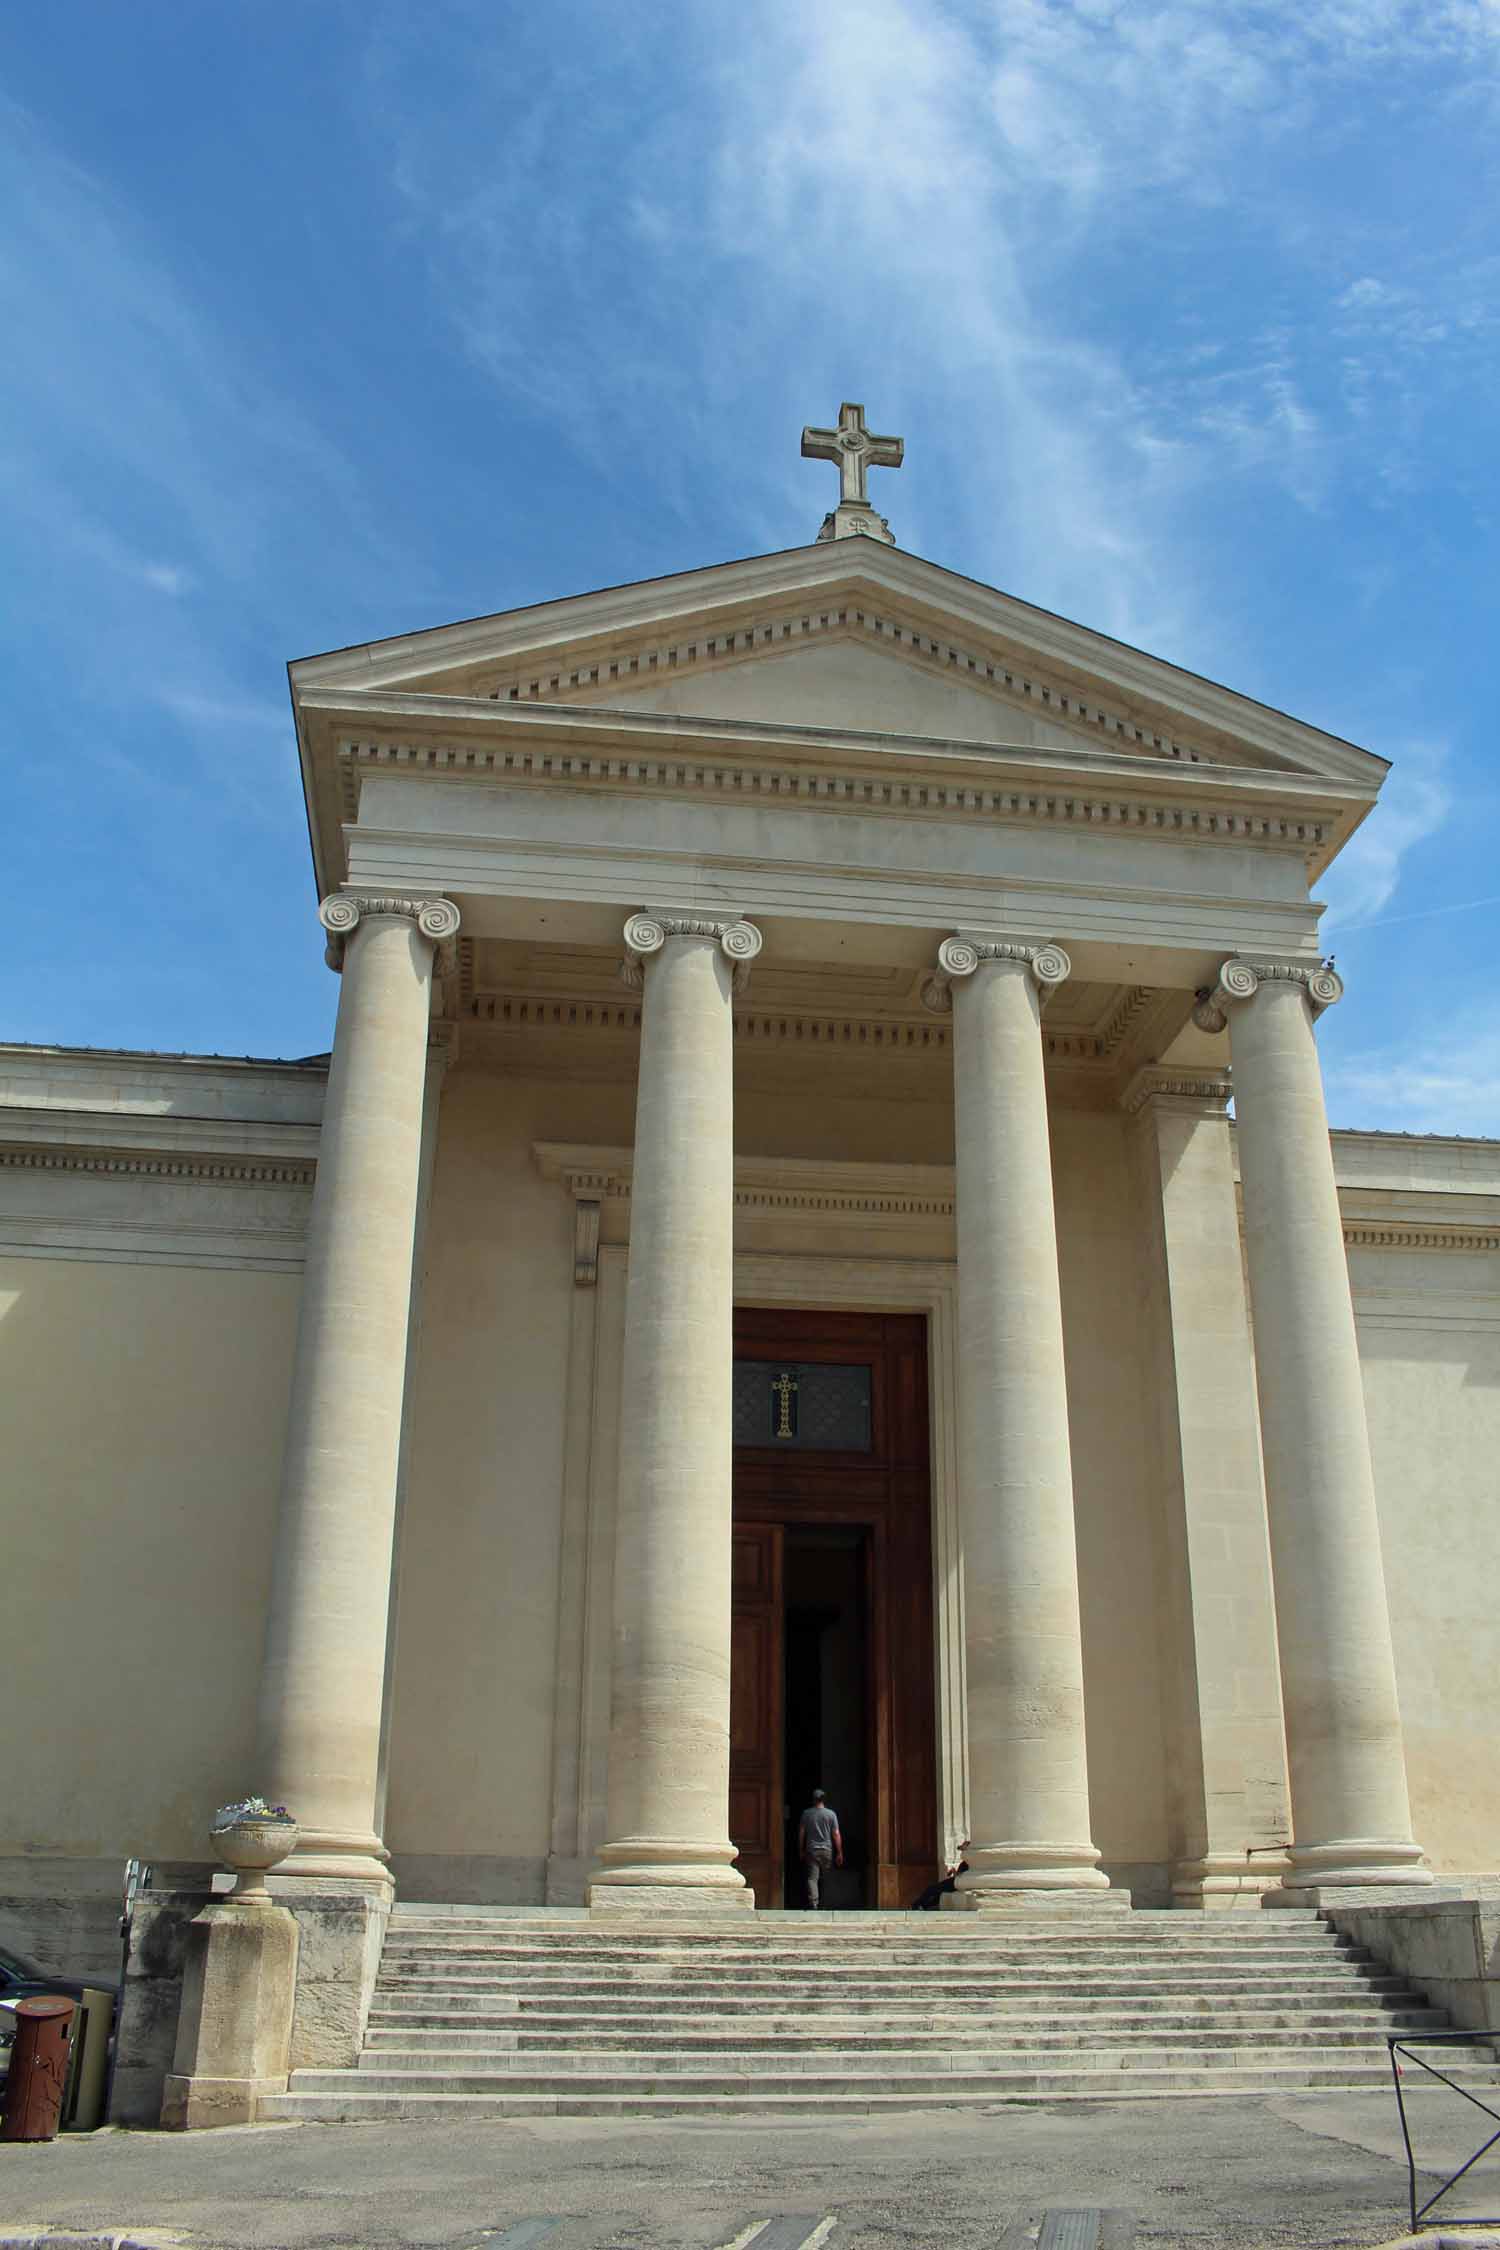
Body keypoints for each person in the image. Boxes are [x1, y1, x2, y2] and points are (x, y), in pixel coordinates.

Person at [797, 1788, 843, 1908]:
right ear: (824, 1800)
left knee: (813, 1878)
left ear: (813, 1800)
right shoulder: (831, 1814)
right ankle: (827, 1902)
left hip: (812, 1849)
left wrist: (801, 1849)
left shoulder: (807, 1814)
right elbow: (836, 1833)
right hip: (827, 1849)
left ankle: (814, 1903)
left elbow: (802, 1833)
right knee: (826, 1877)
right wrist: (839, 1852)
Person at [912, 1840, 970, 1911]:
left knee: (932, 1889)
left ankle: (916, 1905)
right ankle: (923, 1906)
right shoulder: (964, 1863)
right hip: (954, 1882)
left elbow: (961, 1877)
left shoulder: (969, 1863)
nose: (962, 1852)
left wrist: (953, 1871)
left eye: (963, 1850)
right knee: (937, 1893)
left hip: (955, 1883)